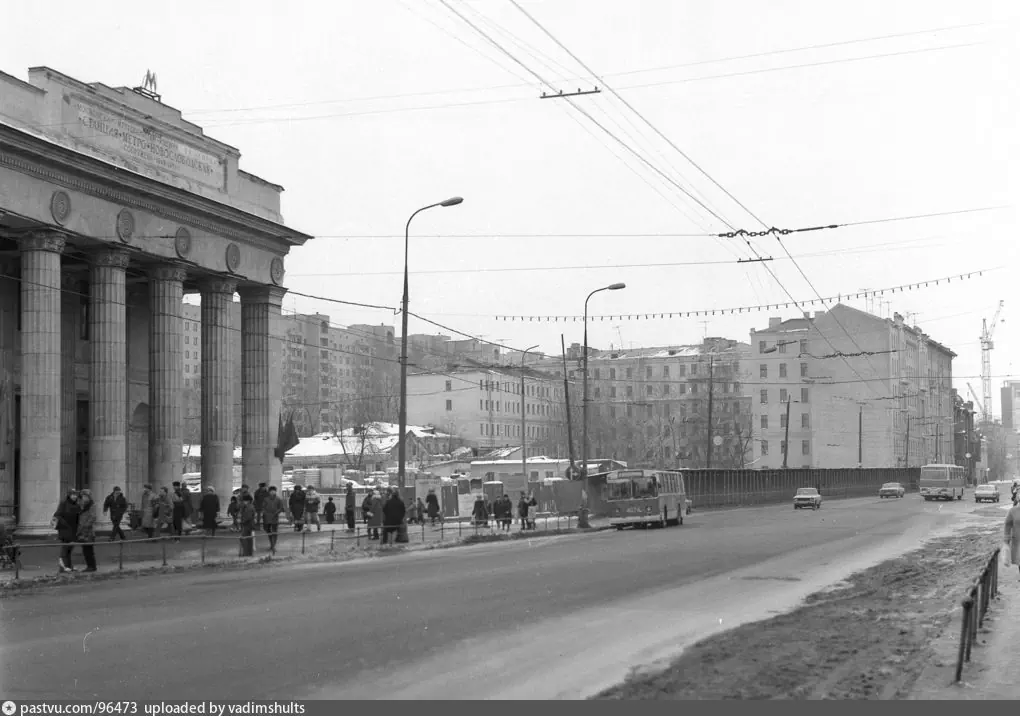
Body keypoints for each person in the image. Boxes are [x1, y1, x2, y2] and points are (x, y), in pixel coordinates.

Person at [52, 489, 81, 573]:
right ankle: (63, 566)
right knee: (65, 548)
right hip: (65, 529)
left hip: (73, 530)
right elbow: (57, 515)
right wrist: (65, 524)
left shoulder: (76, 505)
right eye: (73, 495)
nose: (74, 496)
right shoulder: (64, 504)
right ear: (69, 495)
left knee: (70, 548)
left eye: (75, 495)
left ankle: (69, 566)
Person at [77, 489, 98, 572]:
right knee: (85, 550)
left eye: (85, 496)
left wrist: (86, 525)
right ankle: (90, 566)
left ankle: (91, 566)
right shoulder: (82, 505)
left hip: (88, 531)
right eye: (83, 496)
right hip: (82, 530)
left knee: (88, 550)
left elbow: (93, 517)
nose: (84, 498)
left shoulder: (91, 505)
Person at [262, 486, 285, 553]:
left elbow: (281, 508)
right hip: (267, 518)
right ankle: (271, 544)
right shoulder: (266, 499)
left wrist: (276, 513)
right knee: (268, 531)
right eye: (271, 491)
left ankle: (273, 546)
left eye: (273, 491)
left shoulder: (278, 499)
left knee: (274, 532)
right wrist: (265, 513)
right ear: (269, 492)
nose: (272, 492)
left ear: (275, 491)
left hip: (275, 517)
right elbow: (263, 507)